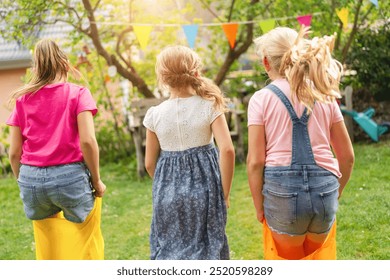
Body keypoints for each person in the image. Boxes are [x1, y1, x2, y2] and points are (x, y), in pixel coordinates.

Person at [246, 26, 355, 259]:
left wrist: (258, 206)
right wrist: (337, 191)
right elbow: (347, 157)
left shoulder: (261, 99)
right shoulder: (324, 94)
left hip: (282, 194)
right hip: (325, 190)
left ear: (266, 62)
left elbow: (256, 162)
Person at [143, 45, 235, 260]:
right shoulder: (209, 106)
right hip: (208, 191)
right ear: (195, 72)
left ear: (163, 78)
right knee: (209, 246)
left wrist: (166, 184)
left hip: (167, 193)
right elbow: (228, 150)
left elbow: (149, 163)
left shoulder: (154, 114)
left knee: (171, 250)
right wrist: (225, 193)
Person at [7, 39, 106, 228]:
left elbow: (14, 153)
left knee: (49, 238)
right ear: (65, 64)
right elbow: (88, 142)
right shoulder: (78, 94)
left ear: (36, 69)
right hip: (69, 177)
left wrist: (26, 181)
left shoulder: (22, 100)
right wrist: (97, 180)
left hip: (30, 179)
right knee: (81, 234)